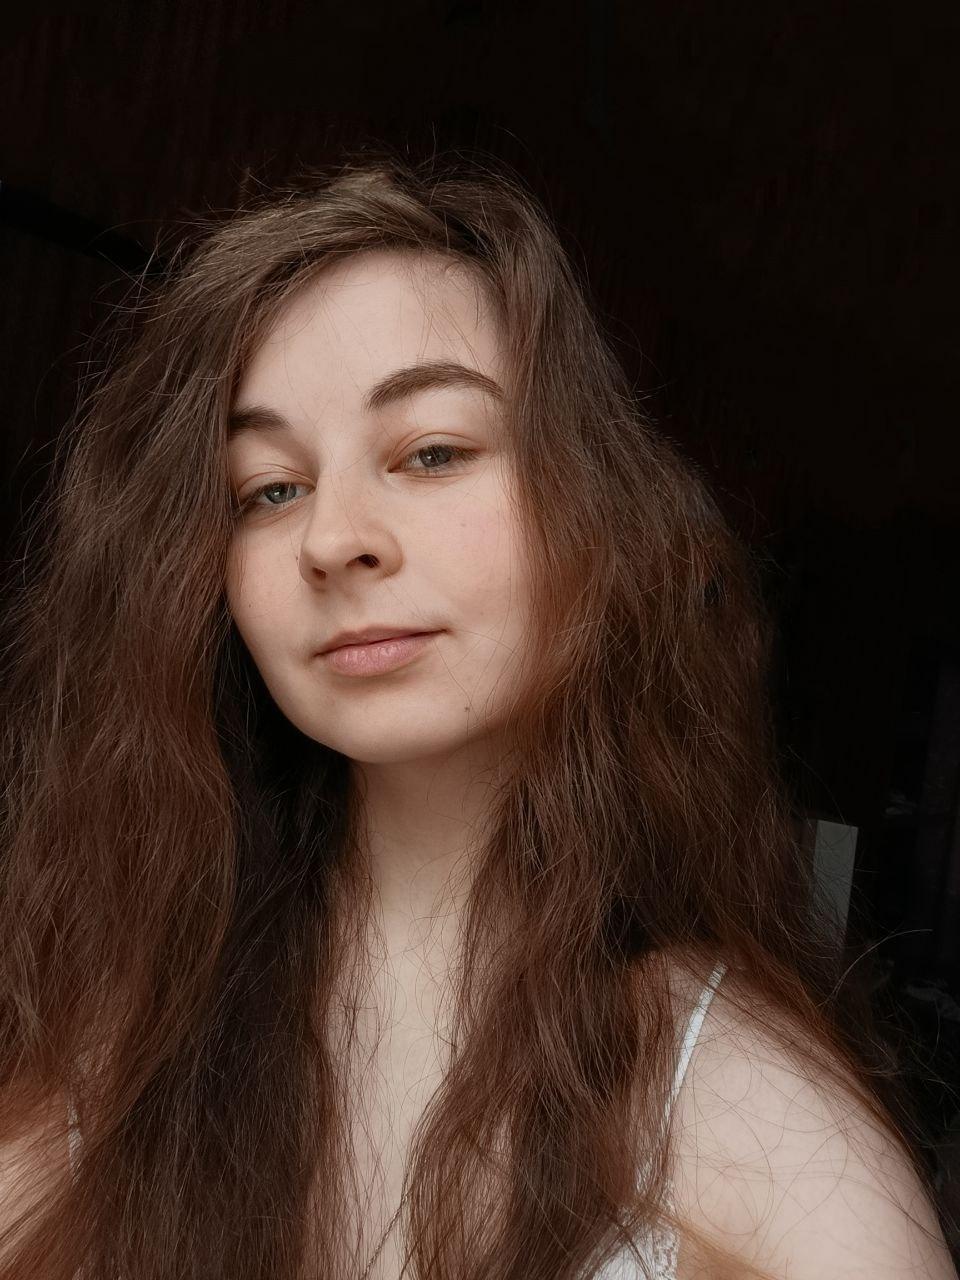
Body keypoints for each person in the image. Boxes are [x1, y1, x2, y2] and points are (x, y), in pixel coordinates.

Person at [0, 150, 955, 1280]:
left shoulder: (738, 1105)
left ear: (593, 511)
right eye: (271, 487)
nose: (332, 538)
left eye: (433, 451)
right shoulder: (133, 1041)